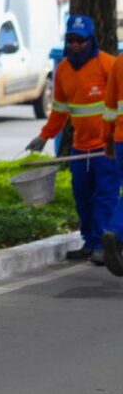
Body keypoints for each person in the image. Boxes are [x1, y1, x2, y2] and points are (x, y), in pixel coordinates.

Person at [25, 15, 118, 264]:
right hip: (80, 148)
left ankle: (102, 246)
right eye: (71, 40)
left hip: (106, 149)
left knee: (105, 196)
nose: (75, 45)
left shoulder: (109, 65)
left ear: (91, 40)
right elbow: (60, 109)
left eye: (80, 40)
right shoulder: (63, 70)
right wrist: (44, 136)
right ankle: (90, 242)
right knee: (83, 197)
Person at [101, 35, 123, 276]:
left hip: (120, 140)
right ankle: (116, 232)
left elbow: (109, 108)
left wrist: (107, 140)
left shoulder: (119, 62)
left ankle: (115, 231)